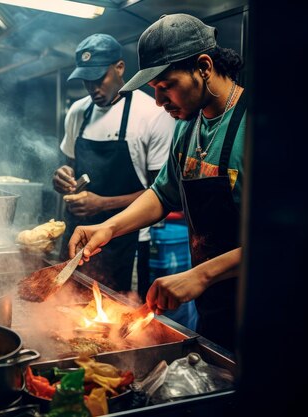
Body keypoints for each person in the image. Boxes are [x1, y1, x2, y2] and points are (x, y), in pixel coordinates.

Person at [67, 14, 246, 352]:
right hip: (215, 305)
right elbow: (163, 194)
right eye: (155, 91)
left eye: (167, 87)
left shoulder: (257, 126)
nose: (160, 103)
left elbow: (285, 243)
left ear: (204, 66)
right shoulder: (187, 126)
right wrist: (109, 227)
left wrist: (201, 274)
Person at [53, 33, 175, 293]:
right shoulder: (78, 111)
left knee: (116, 320)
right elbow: (70, 167)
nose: (92, 88)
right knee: (65, 311)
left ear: (120, 67)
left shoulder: (152, 114)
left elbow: (163, 193)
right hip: (78, 237)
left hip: (125, 241)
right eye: (86, 81)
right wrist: (62, 176)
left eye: (99, 79)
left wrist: (103, 204)